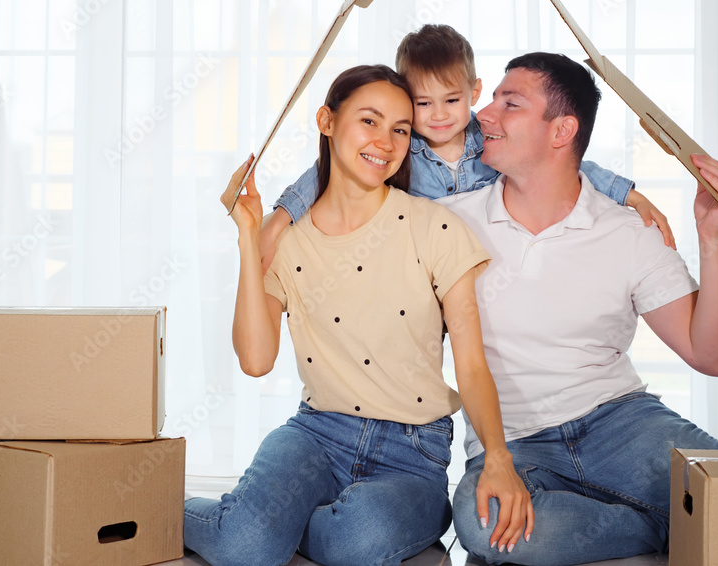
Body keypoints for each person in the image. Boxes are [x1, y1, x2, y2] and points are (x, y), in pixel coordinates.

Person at [186, 65, 533, 566]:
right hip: (315, 436)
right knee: (244, 549)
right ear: (327, 122)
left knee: (357, 541)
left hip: (413, 453)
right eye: (369, 121)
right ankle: (203, 514)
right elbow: (257, 361)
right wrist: (247, 233)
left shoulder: (434, 226)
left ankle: (273, 521)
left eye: (400, 130)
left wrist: (499, 457)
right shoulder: (285, 240)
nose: (386, 142)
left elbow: (472, 365)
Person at [441, 52, 718, 565]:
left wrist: (712, 239)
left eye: (508, 103)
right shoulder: (448, 223)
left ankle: (674, 517)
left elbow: (716, 356)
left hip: (620, 423)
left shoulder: (626, 231)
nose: (483, 114)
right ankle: (668, 524)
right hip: (513, 442)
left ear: (561, 131)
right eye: (491, 99)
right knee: (486, 525)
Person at [260, 25, 675, 270]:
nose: (439, 115)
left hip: (488, 262)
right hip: (421, 262)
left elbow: (565, 165)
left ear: (474, 91)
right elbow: (330, 171)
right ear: (407, 100)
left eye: (452, 100)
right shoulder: (402, 147)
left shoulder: (491, 140)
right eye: (423, 104)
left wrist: (629, 193)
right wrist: (281, 217)